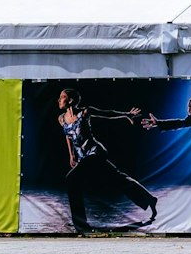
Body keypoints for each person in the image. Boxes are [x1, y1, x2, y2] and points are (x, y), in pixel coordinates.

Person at [55, 88, 156, 232]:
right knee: (118, 178)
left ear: (70, 100)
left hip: (96, 153)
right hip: (84, 157)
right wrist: (71, 155)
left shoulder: (84, 112)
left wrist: (126, 114)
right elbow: (68, 135)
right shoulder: (61, 119)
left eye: (62, 97)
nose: (59, 100)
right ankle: (149, 200)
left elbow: (107, 113)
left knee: (71, 179)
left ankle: (81, 225)